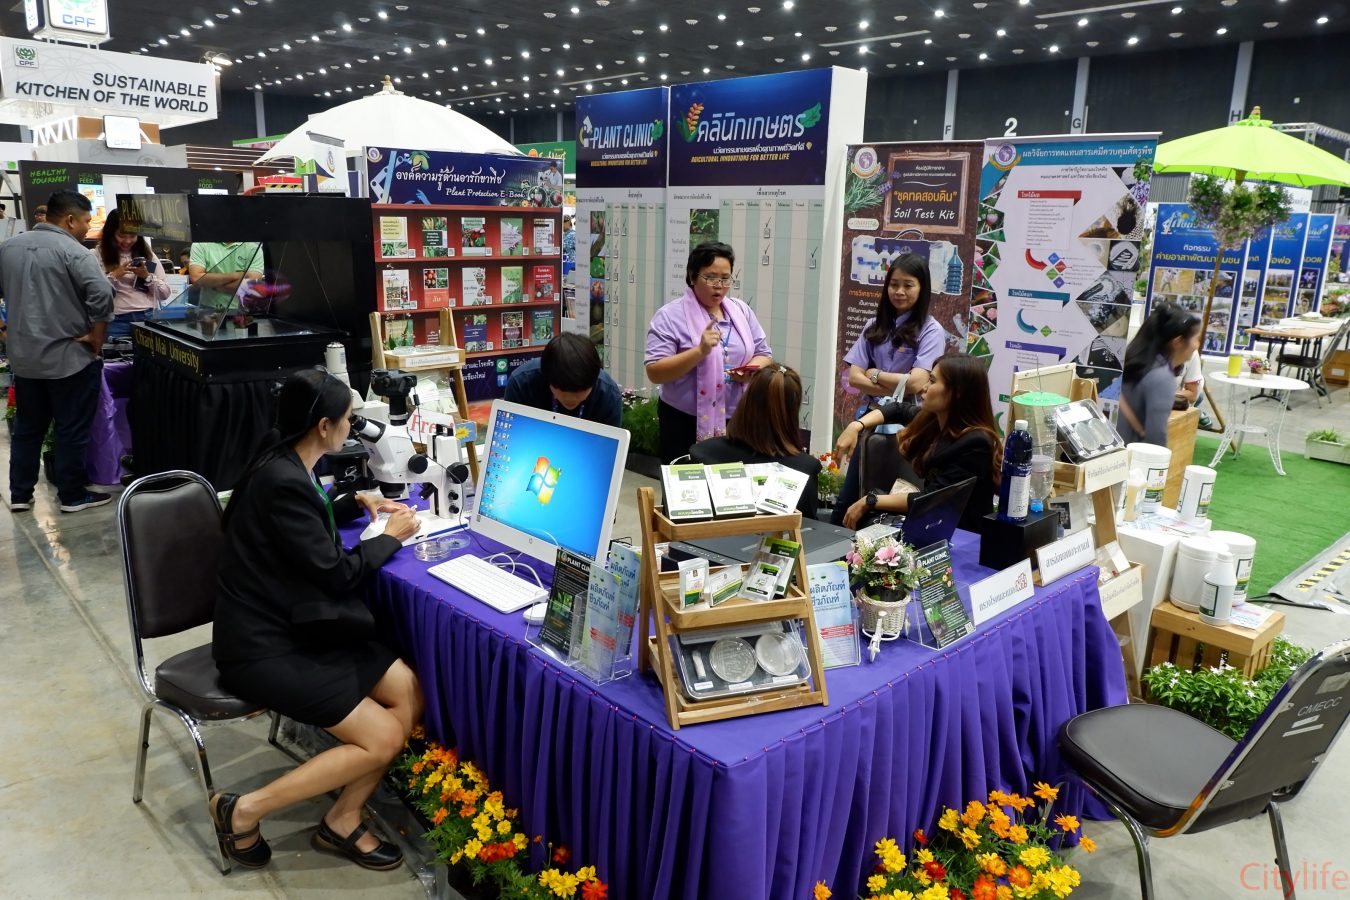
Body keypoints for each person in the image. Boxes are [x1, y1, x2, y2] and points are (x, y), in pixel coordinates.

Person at [211, 369, 424, 871]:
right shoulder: (281, 479)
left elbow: (301, 526)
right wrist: (389, 537)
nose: (353, 427)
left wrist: (352, 502)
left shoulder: (286, 461)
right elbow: (336, 574)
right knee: (384, 737)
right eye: (349, 419)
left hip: (301, 624)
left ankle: (342, 819)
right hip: (266, 645)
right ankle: (243, 811)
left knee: (409, 693)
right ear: (325, 426)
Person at [1, 190, 114, 514]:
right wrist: (96, 338)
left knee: (28, 428)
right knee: (71, 428)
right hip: (69, 357)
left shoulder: (8, 248)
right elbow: (102, 295)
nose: (87, 227)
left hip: (26, 359)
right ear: (70, 219)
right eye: (86, 221)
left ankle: (20, 493)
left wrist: (5, 329)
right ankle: (72, 495)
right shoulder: (75, 252)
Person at [833, 253, 946, 522]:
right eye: (894, 284)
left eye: (908, 285)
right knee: (850, 496)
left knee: (894, 499)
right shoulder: (874, 326)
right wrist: (898, 384)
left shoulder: (931, 331)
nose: (899, 291)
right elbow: (853, 378)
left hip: (910, 426)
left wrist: (874, 374)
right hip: (871, 420)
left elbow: (917, 383)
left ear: (922, 288)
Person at [838, 354, 1002, 534]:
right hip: (934, 525)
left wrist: (870, 501)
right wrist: (856, 425)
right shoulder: (934, 420)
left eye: (932, 381)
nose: (924, 387)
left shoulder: (976, 444)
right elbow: (897, 409)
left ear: (957, 392)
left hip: (963, 537)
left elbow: (932, 498)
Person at [645, 241, 773, 462]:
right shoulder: (670, 316)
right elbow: (655, 372)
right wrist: (699, 351)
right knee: (687, 480)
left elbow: (764, 353)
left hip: (738, 419)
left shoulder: (740, 311)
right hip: (684, 421)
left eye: (725, 278)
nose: (719, 286)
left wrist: (750, 369)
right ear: (692, 276)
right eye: (711, 277)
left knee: (731, 480)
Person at [690, 364, 821, 518]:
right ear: (793, 412)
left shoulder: (702, 453)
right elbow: (808, 527)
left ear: (746, 400)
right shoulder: (804, 469)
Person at [1118, 303, 1201, 446]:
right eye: (1195, 339)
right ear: (1178, 342)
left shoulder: (1140, 362)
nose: (1197, 345)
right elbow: (1156, 437)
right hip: (1132, 453)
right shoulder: (1162, 377)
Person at [503, 332, 622, 427]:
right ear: (548, 378)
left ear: (593, 382)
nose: (571, 399)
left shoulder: (608, 395)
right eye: (563, 390)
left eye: (580, 391)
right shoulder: (521, 384)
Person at [95, 208, 171, 338]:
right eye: (121, 236)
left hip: (147, 317)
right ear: (110, 233)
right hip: (116, 321)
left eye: (132, 236)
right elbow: (96, 294)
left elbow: (165, 294)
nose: (127, 241)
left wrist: (147, 277)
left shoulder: (147, 254)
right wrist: (114, 276)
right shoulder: (97, 255)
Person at [188, 240, 264, 310]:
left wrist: (216, 286)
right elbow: (196, 278)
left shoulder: (252, 247)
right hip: (208, 308)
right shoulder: (201, 244)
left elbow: (252, 283)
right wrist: (239, 275)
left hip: (241, 309)